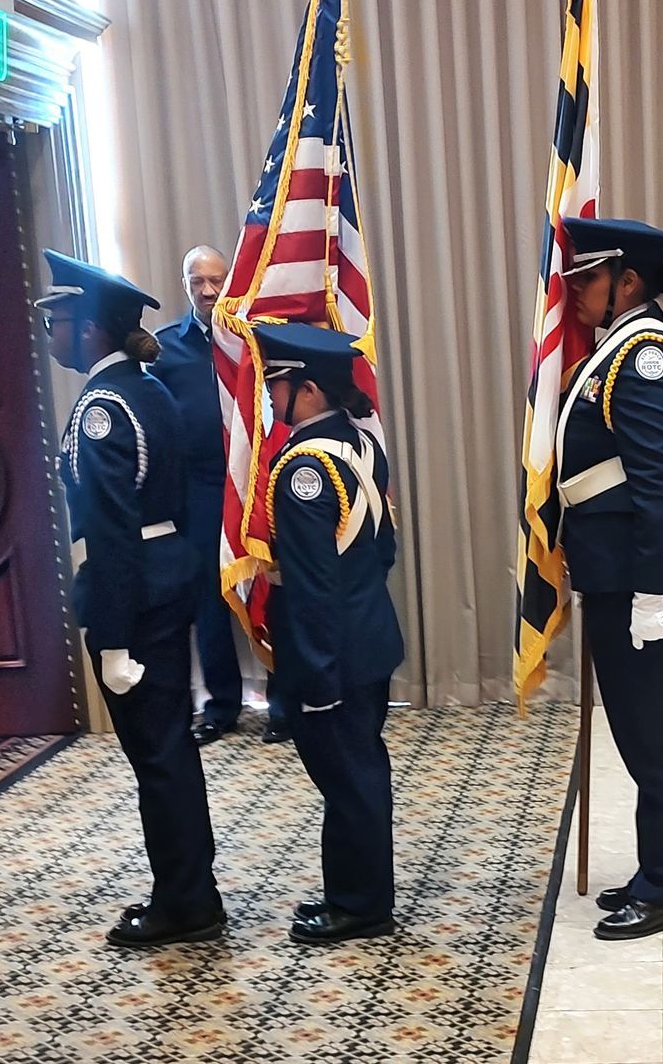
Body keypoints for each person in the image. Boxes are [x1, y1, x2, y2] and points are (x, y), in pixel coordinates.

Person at [36, 249, 224, 947]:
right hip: (167, 575)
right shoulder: (149, 388)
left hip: (135, 593)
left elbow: (113, 532)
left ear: (89, 331)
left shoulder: (102, 409)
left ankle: (185, 903)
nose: (50, 334)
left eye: (58, 321)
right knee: (172, 748)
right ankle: (193, 889)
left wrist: (112, 640)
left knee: (159, 756)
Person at [556, 216, 663, 941]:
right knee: (641, 729)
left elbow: (658, 483)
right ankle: (662, 866)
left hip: (647, 575)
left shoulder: (646, 354)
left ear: (628, 280)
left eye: (586, 278)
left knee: (656, 734)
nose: (573, 292)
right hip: (620, 569)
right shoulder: (619, 349)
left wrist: (652, 595)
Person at [252, 322, 404, 944]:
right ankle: (355, 893)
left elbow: (313, 585)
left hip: (332, 650)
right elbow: (383, 549)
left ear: (308, 390)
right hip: (369, 634)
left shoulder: (305, 468)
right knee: (360, 771)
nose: (268, 399)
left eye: (276, 385)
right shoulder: (361, 446)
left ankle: (361, 906)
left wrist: (314, 677)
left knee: (347, 779)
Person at [150, 246, 291, 746]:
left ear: (231, 278)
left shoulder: (258, 338)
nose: (208, 291)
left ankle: (282, 704)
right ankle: (222, 706)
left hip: (262, 483)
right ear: (185, 284)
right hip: (201, 490)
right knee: (210, 600)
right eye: (197, 282)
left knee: (272, 591)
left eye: (216, 280)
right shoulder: (165, 350)